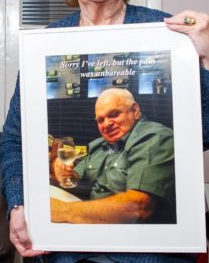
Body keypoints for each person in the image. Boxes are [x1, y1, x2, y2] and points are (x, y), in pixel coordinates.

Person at [0, 0, 209, 262]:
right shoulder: (47, 46)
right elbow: (16, 139)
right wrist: (18, 203)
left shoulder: (167, 35)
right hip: (67, 254)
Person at [51, 88, 176, 224]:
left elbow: (139, 207)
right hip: (96, 225)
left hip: (134, 237)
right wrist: (62, 172)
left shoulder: (154, 137)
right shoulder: (98, 145)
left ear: (135, 110)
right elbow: (74, 175)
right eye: (100, 120)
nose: (106, 124)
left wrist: (62, 210)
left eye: (114, 114)